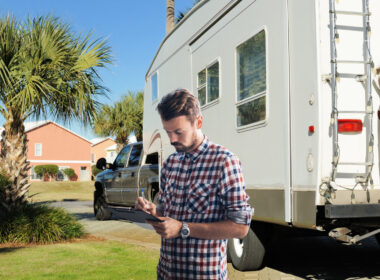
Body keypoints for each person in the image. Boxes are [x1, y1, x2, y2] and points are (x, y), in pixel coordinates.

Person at [135, 88, 252, 280]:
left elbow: (240, 227)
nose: (172, 139)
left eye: (179, 132)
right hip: (166, 272)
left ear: (198, 122)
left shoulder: (224, 161)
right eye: (168, 132)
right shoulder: (170, 164)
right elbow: (168, 213)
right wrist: (154, 210)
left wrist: (183, 228)